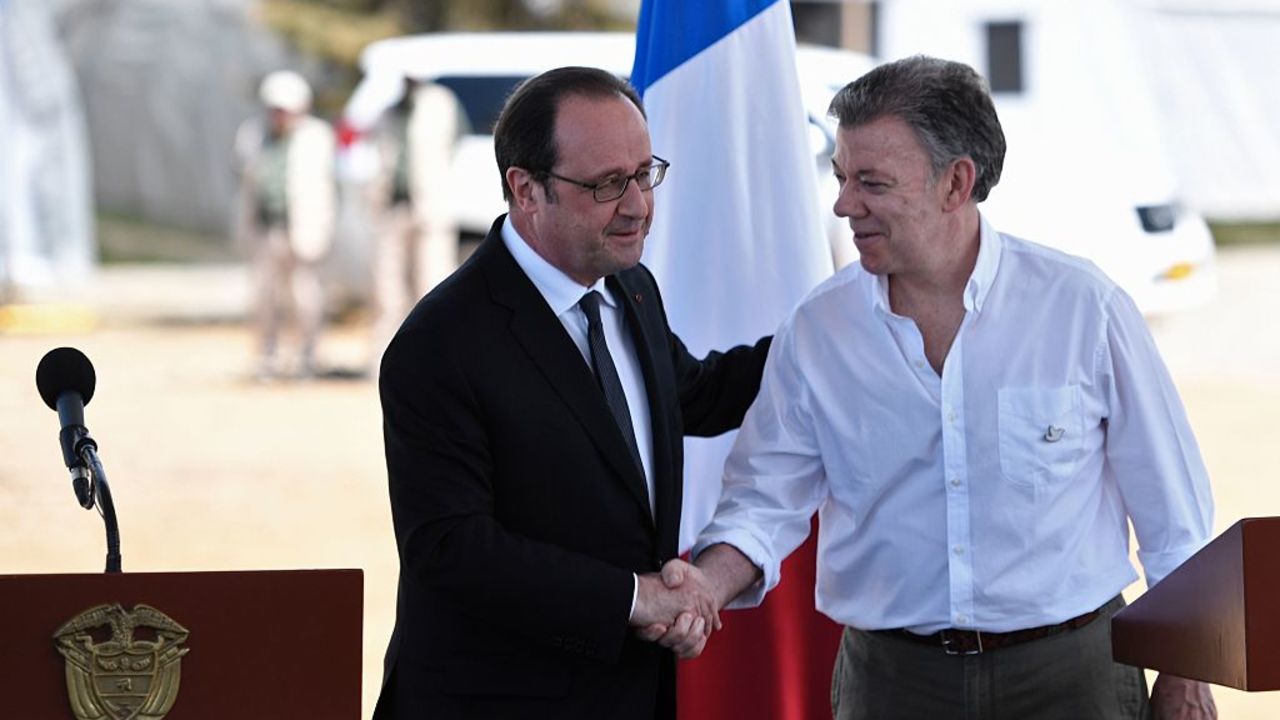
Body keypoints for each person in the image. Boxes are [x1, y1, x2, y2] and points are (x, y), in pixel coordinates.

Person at [658, 56, 1218, 719]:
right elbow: (763, 501)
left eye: (871, 182)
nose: (842, 205)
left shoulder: (1083, 309)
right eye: (841, 178)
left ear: (956, 182)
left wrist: (1186, 676)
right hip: (891, 684)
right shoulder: (817, 330)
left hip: (1073, 678)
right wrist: (704, 585)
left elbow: (1173, 515)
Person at [371, 66, 771, 719]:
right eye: (608, 183)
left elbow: (693, 394)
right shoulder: (439, 344)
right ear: (525, 190)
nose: (639, 204)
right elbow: (450, 548)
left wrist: (831, 335)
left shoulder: (629, 289)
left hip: (628, 694)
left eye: (645, 173)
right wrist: (635, 598)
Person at [233, 70, 336, 380]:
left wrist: (322, 230)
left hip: (303, 230)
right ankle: (267, 358)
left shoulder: (317, 136)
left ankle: (307, 357)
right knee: (265, 298)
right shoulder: (253, 135)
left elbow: (327, 189)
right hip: (266, 228)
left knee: (305, 297)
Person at [365, 77, 467, 371]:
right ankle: (384, 357)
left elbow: (457, 144)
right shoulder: (388, 111)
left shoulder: (442, 104)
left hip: (430, 208)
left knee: (433, 283)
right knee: (386, 286)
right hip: (392, 208)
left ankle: (439, 357)